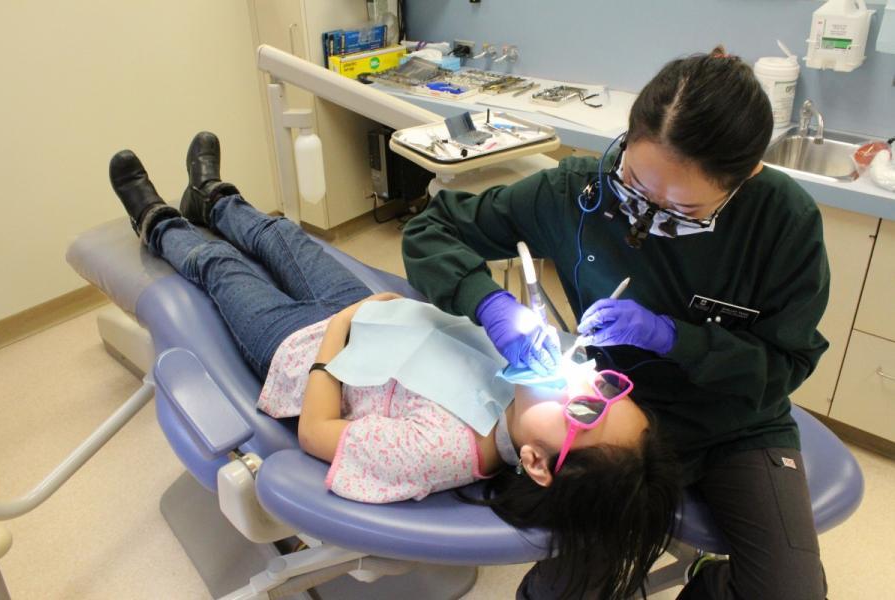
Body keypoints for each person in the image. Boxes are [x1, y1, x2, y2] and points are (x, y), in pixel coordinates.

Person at [107, 132, 681, 599]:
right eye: (608, 385)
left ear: (535, 463)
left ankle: (156, 219)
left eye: (586, 407)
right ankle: (212, 196)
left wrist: (334, 335)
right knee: (279, 233)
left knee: (220, 266)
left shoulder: (439, 451)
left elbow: (315, 432)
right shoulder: (518, 386)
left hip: (302, 346)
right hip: (369, 312)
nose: (584, 381)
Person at [402, 47, 831, 600]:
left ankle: (705, 583)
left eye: (681, 209)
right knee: (566, 591)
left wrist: (677, 339)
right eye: (636, 185)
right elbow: (431, 230)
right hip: (614, 422)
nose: (646, 219)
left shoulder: (784, 222)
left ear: (745, 177)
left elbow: (787, 362)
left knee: (789, 594)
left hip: (736, 424)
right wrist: (487, 303)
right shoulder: (574, 195)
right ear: (627, 137)